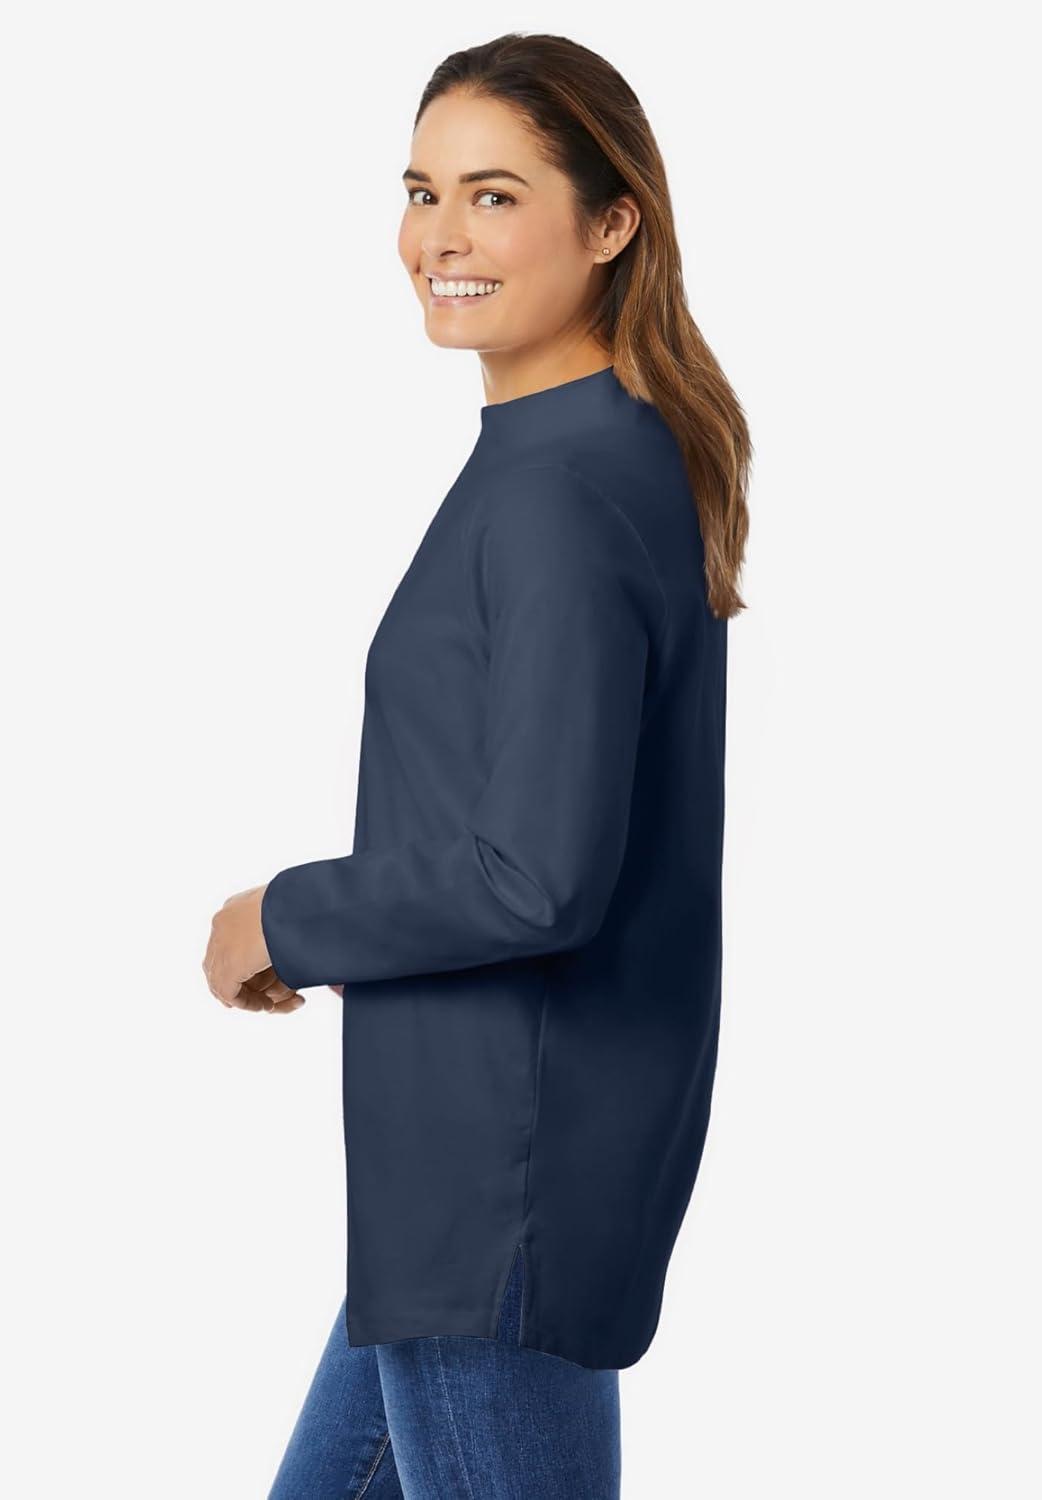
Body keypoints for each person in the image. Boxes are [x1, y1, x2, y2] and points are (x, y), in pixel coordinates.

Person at [203, 31, 750, 1499]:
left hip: (495, 1194)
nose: (439, 236)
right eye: (421, 190)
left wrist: (283, 918)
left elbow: (537, 877)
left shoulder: (562, 489)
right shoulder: (579, 455)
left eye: (494, 196)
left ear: (611, 223)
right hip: (463, 1188)